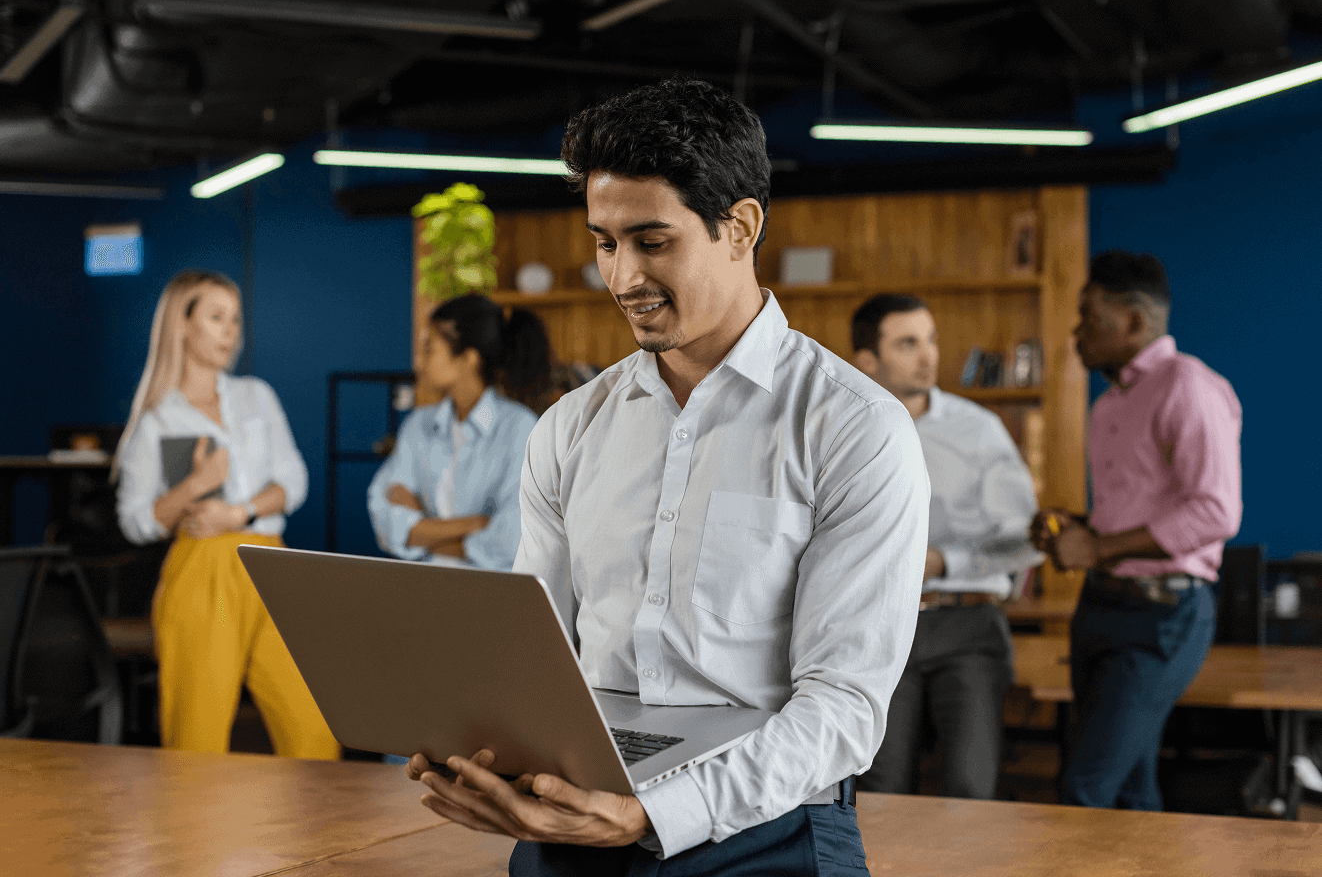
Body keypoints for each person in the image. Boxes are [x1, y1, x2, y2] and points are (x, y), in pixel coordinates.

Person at [404, 79, 929, 875]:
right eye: (604, 243)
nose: (621, 278)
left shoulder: (856, 430)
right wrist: (480, 749)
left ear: (740, 226)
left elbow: (845, 708)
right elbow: (533, 655)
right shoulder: (571, 428)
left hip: (771, 835)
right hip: (578, 818)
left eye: (652, 241)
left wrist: (651, 814)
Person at [1032, 250, 1242, 810]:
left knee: (1084, 788)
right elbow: (1129, 513)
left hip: (1163, 617)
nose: (1076, 332)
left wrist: (1096, 546)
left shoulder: (1189, 386)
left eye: (1087, 316)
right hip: (1101, 606)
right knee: (1128, 790)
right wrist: (1073, 529)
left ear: (1132, 320)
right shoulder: (1109, 404)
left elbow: (1217, 511)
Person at [114, 270, 337, 759]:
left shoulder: (257, 396)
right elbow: (135, 521)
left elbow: (293, 481)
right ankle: (193, 836)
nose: (230, 331)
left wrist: (238, 512)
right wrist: (196, 484)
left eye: (235, 319)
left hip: (272, 565)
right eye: (216, 318)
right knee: (197, 741)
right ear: (182, 325)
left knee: (315, 733)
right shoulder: (157, 421)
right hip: (201, 573)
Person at [850, 294, 1040, 800]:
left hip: (967, 625)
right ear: (868, 361)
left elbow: (1026, 541)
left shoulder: (979, 430)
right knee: (881, 791)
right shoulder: (842, 429)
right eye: (908, 343)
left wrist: (943, 561)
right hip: (880, 626)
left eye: (930, 339)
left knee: (968, 792)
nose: (928, 355)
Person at [367, 293, 550, 570]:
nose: (419, 361)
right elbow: (382, 513)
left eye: (430, 349)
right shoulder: (418, 425)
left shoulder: (520, 428)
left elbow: (511, 540)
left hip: (494, 595)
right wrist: (472, 524)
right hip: (423, 587)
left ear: (467, 358)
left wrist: (422, 532)